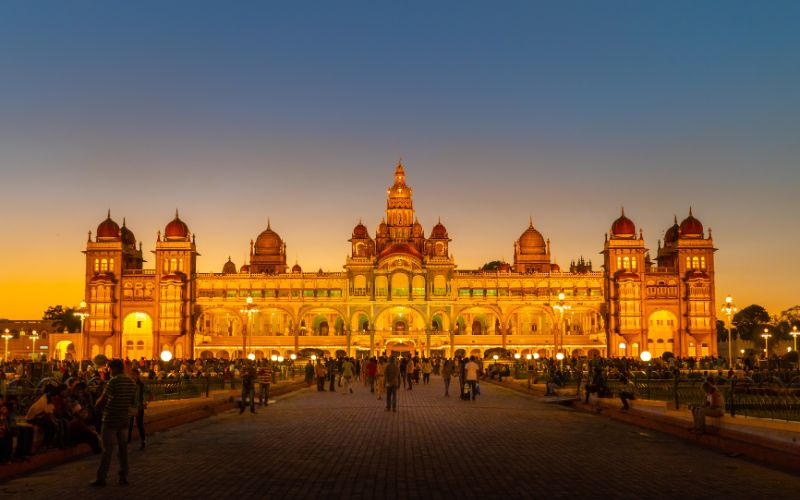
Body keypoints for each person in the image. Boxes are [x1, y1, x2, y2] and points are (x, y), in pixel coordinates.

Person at [92, 359, 137, 487]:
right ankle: (124, 476)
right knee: (123, 449)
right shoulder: (131, 382)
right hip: (124, 419)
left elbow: (103, 399)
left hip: (110, 419)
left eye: (110, 369)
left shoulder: (114, 381)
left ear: (115, 369)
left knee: (107, 450)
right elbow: (133, 401)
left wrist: (96, 404)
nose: (109, 371)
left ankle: (102, 477)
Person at [127, 368, 151, 449]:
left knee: (139, 425)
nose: (132, 376)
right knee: (129, 425)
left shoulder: (142, 385)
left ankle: (143, 441)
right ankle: (128, 440)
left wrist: (146, 402)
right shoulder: (129, 385)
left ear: (138, 375)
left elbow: (150, 394)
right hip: (130, 407)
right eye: (131, 374)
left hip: (139, 408)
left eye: (133, 374)